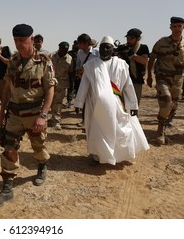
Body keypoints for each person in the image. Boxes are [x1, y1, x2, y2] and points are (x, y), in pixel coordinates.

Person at [0, 24, 56, 208]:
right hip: (15, 114)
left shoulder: (44, 61)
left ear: (32, 40)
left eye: (22, 41)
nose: (19, 45)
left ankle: (42, 166)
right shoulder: (13, 61)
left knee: (38, 146)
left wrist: (43, 115)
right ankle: (7, 188)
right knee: (9, 148)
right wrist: (1, 112)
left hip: (34, 114)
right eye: (16, 41)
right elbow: (7, 89)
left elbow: (50, 90)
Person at [74, 36, 149, 165]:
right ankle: (98, 155)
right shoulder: (91, 65)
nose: (104, 50)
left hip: (117, 104)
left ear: (112, 49)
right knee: (97, 132)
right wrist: (79, 103)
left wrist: (133, 105)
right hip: (95, 105)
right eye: (102, 47)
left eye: (108, 47)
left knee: (118, 130)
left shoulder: (120, 64)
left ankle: (118, 156)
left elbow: (128, 86)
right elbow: (84, 85)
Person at [147, 16, 184, 145]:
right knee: (167, 102)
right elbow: (152, 58)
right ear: (170, 27)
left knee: (173, 105)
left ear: (183, 27)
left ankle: (164, 126)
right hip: (163, 77)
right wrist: (150, 76)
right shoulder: (162, 42)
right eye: (174, 26)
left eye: (179, 26)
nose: (177, 29)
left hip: (178, 79)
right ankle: (160, 130)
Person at [74, 33, 99, 126]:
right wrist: (78, 71)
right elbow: (78, 64)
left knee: (96, 101)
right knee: (85, 101)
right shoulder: (80, 53)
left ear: (85, 43)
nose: (78, 45)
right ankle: (85, 121)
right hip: (84, 80)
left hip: (96, 81)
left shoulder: (97, 53)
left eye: (79, 43)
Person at [120, 28, 150, 105]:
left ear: (138, 39)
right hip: (123, 80)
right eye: (127, 38)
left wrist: (132, 55)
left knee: (134, 104)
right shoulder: (124, 48)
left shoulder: (143, 48)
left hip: (136, 80)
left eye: (131, 38)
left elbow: (144, 60)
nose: (128, 40)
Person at [49, 41, 74, 130]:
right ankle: (52, 118)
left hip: (62, 84)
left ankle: (56, 121)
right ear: (59, 48)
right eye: (63, 49)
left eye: (66, 50)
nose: (64, 52)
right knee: (51, 101)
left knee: (58, 102)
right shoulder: (51, 56)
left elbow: (70, 72)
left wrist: (71, 84)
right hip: (51, 82)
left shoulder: (69, 59)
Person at [64, 40, 78, 108]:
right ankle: (69, 101)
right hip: (71, 73)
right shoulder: (69, 53)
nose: (74, 46)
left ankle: (78, 104)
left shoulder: (81, 53)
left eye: (76, 44)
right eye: (74, 44)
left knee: (78, 89)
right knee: (70, 87)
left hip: (79, 74)